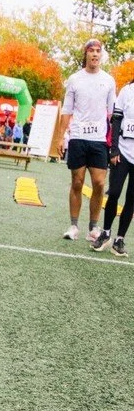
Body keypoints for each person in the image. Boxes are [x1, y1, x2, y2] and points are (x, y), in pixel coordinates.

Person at [53, 39, 116, 244]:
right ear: (86, 54)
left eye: (98, 51)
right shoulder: (75, 79)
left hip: (99, 139)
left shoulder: (108, 80)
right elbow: (67, 110)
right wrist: (60, 137)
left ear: (101, 55)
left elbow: (112, 114)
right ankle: (73, 225)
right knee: (77, 182)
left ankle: (93, 227)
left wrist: (115, 143)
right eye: (91, 51)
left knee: (99, 183)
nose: (95, 54)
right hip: (78, 137)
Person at [94, 70, 134, 255]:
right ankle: (106, 233)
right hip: (123, 152)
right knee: (115, 192)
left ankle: (120, 239)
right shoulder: (127, 90)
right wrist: (114, 149)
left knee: (131, 199)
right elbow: (116, 120)